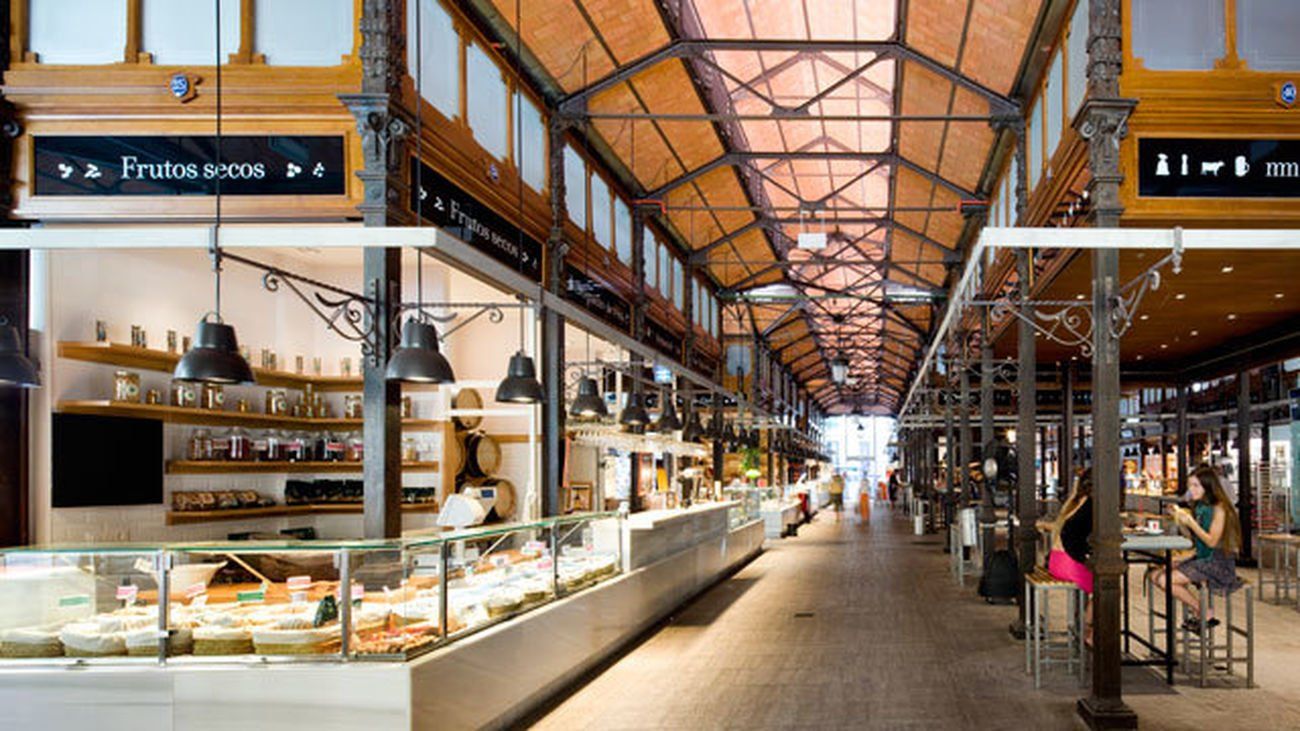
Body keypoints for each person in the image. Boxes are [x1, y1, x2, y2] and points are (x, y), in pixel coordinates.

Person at [1151, 464, 1243, 633]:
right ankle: (1200, 611)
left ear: (1208, 486)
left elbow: (1212, 542)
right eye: (1190, 485)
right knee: (1156, 575)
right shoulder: (1201, 507)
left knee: (1166, 580)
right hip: (1203, 558)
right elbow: (1198, 545)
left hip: (1218, 562)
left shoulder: (1220, 508)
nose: (1191, 490)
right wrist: (1182, 556)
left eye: (1196, 486)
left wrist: (1190, 523)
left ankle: (1202, 611)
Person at [1048, 468, 1093, 646]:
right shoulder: (1091, 505)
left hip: (1056, 560)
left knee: (1101, 583)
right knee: (1106, 589)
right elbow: (1074, 540)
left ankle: (1085, 627)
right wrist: (1085, 558)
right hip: (1068, 563)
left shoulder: (1075, 501)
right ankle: (1088, 631)